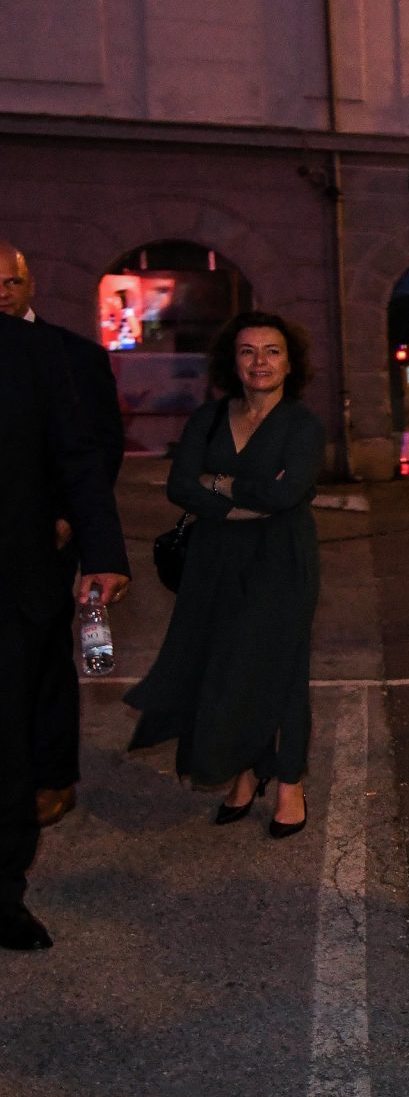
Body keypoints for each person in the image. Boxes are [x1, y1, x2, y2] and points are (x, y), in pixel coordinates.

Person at [126, 313, 325, 839]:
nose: (260, 362)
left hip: (281, 561)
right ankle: (242, 772)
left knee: (279, 669)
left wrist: (217, 482)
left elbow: (287, 496)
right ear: (230, 361)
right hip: (214, 559)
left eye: (272, 351)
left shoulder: (302, 425)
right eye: (247, 351)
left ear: (290, 361)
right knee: (225, 665)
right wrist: (240, 498)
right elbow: (180, 486)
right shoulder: (208, 419)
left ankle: (288, 782)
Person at [1, 313, 128, 950]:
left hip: (13, 580)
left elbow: (77, 453)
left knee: (9, 749)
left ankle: (1, 896)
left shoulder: (33, 350)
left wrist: (103, 550)